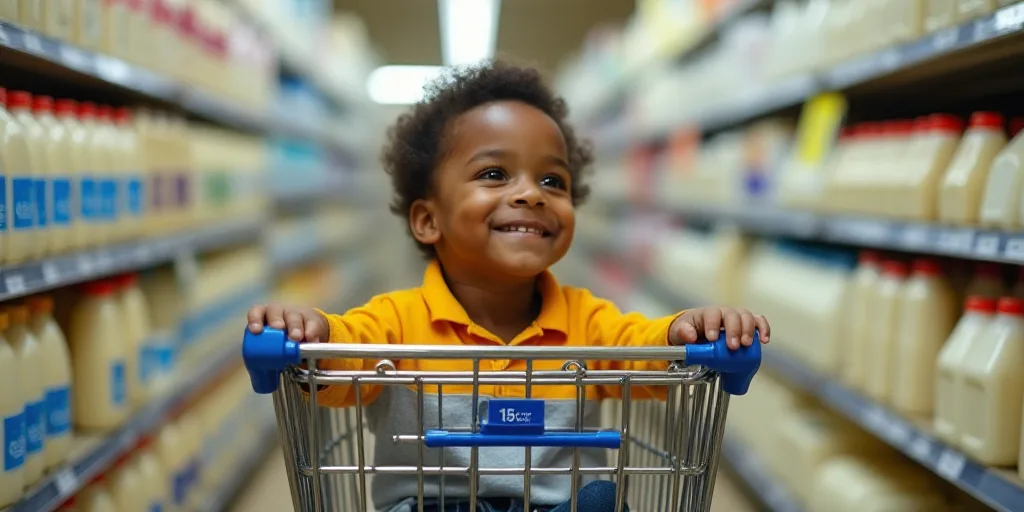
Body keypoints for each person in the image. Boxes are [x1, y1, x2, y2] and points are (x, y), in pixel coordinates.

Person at [246, 61, 771, 512]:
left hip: (554, 503)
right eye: (495, 174)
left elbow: (645, 351)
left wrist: (685, 330)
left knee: (599, 500)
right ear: (428, 221)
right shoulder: (394, 319)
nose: (531, 194)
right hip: (430, 502)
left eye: (553, 181)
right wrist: (310, 331)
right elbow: (342, 358)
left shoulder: (588, 320)